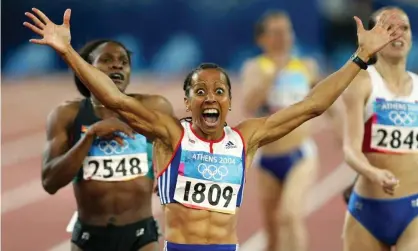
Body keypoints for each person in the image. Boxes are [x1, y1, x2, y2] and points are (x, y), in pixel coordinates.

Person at [24, 7, 405, 251]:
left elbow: (312, 106)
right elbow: (119, 100)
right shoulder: (170, 134)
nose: (211, 98)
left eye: (219, 91)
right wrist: (69, 53)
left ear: (229, 102)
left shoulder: (247, 137)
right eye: (200, 92)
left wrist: (360, 58)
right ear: (188, 103)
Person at [40, 39, 173, 251]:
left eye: (124, 61)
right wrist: (89, 137)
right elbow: (50, 182)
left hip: (141, 237)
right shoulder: (67, 115)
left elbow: (179, 147)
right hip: (88, 237)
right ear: (86, 70)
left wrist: (170, 171)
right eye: (107, 60)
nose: (117, 65)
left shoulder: (153, 108)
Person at [240, 11, 320, 251]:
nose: (282, 37)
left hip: (301, 154)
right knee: (272, 234)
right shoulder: (255, 67)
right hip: (268, 159)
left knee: (290, 215)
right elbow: (250, 106)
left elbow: (324, 98)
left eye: (286, 31)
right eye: (275, 32)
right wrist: (274, 71)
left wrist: (339, 127)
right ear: (262, 39)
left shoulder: (306, 66)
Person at [341, 7, 418, 251]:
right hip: (367, 212)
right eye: (389, 28)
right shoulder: (361, 84)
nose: (398, 34)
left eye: (404, 28)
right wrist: (372, 172)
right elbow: (350, 150)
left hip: (413, 211)